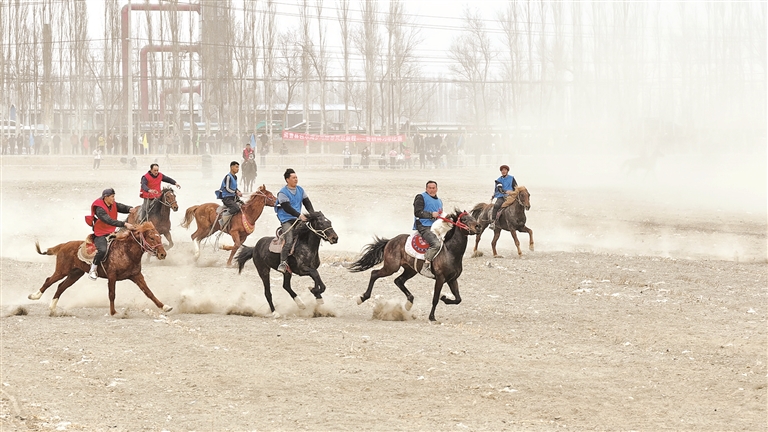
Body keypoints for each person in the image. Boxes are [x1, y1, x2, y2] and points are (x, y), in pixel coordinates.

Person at [88, 188, 135, 281]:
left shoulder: (112, 203)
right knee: (102, 250)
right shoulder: (99, 209)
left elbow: (121, 206)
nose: (114, 198)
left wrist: (130, 209)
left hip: (111, 231)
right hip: (100, 233)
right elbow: (109, 220)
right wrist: (124, 224)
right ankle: (93, 269)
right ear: (106, 197)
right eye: (112, 197)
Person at [275, 168, 315, 274]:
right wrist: (299, 215)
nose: (296, 179)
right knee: (288, 240)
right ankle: (283, 262)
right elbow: (286, 207)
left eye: (296, 177)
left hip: (297, 218)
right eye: (293, 178)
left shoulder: (300, 190)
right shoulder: (282, 193)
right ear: (287, 179)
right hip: (287, 219)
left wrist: (312, 214)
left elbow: (307, 203)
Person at [413, 180, 443, 276]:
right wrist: (431, 215)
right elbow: (417, 212)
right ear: (426, 189)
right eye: (429, 188)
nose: (431, 190)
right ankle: (425, 267)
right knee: (436, 244)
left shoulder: (439, 201)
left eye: (433, 188)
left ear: (436, 189)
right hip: (424, 225)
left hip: (436, 226)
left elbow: (440, 214)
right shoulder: (420, 197)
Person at [489, 164, 517, 229]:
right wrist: (506, 192)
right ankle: (493, 222)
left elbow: (516, 187)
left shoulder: (512, 178)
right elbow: (500, 189)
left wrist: (513, 192)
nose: (503, 171)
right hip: (501, 196)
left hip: (511, 196)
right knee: (496, 205)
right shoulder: (498, 180)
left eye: (505, 170)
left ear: (507, 171)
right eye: (502, 170)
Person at [216, 161, 243, 226]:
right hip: (227, 198)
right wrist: (236, 192)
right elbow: (227, 188)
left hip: (233, 197)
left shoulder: (235, 177)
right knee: (236, 208)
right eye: (236, 167)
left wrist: (238, 191)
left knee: (243, 205)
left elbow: (235, 188)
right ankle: (223, 219)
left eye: (238, 167)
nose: (238, 169)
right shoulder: (228, 177)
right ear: (231, 167)